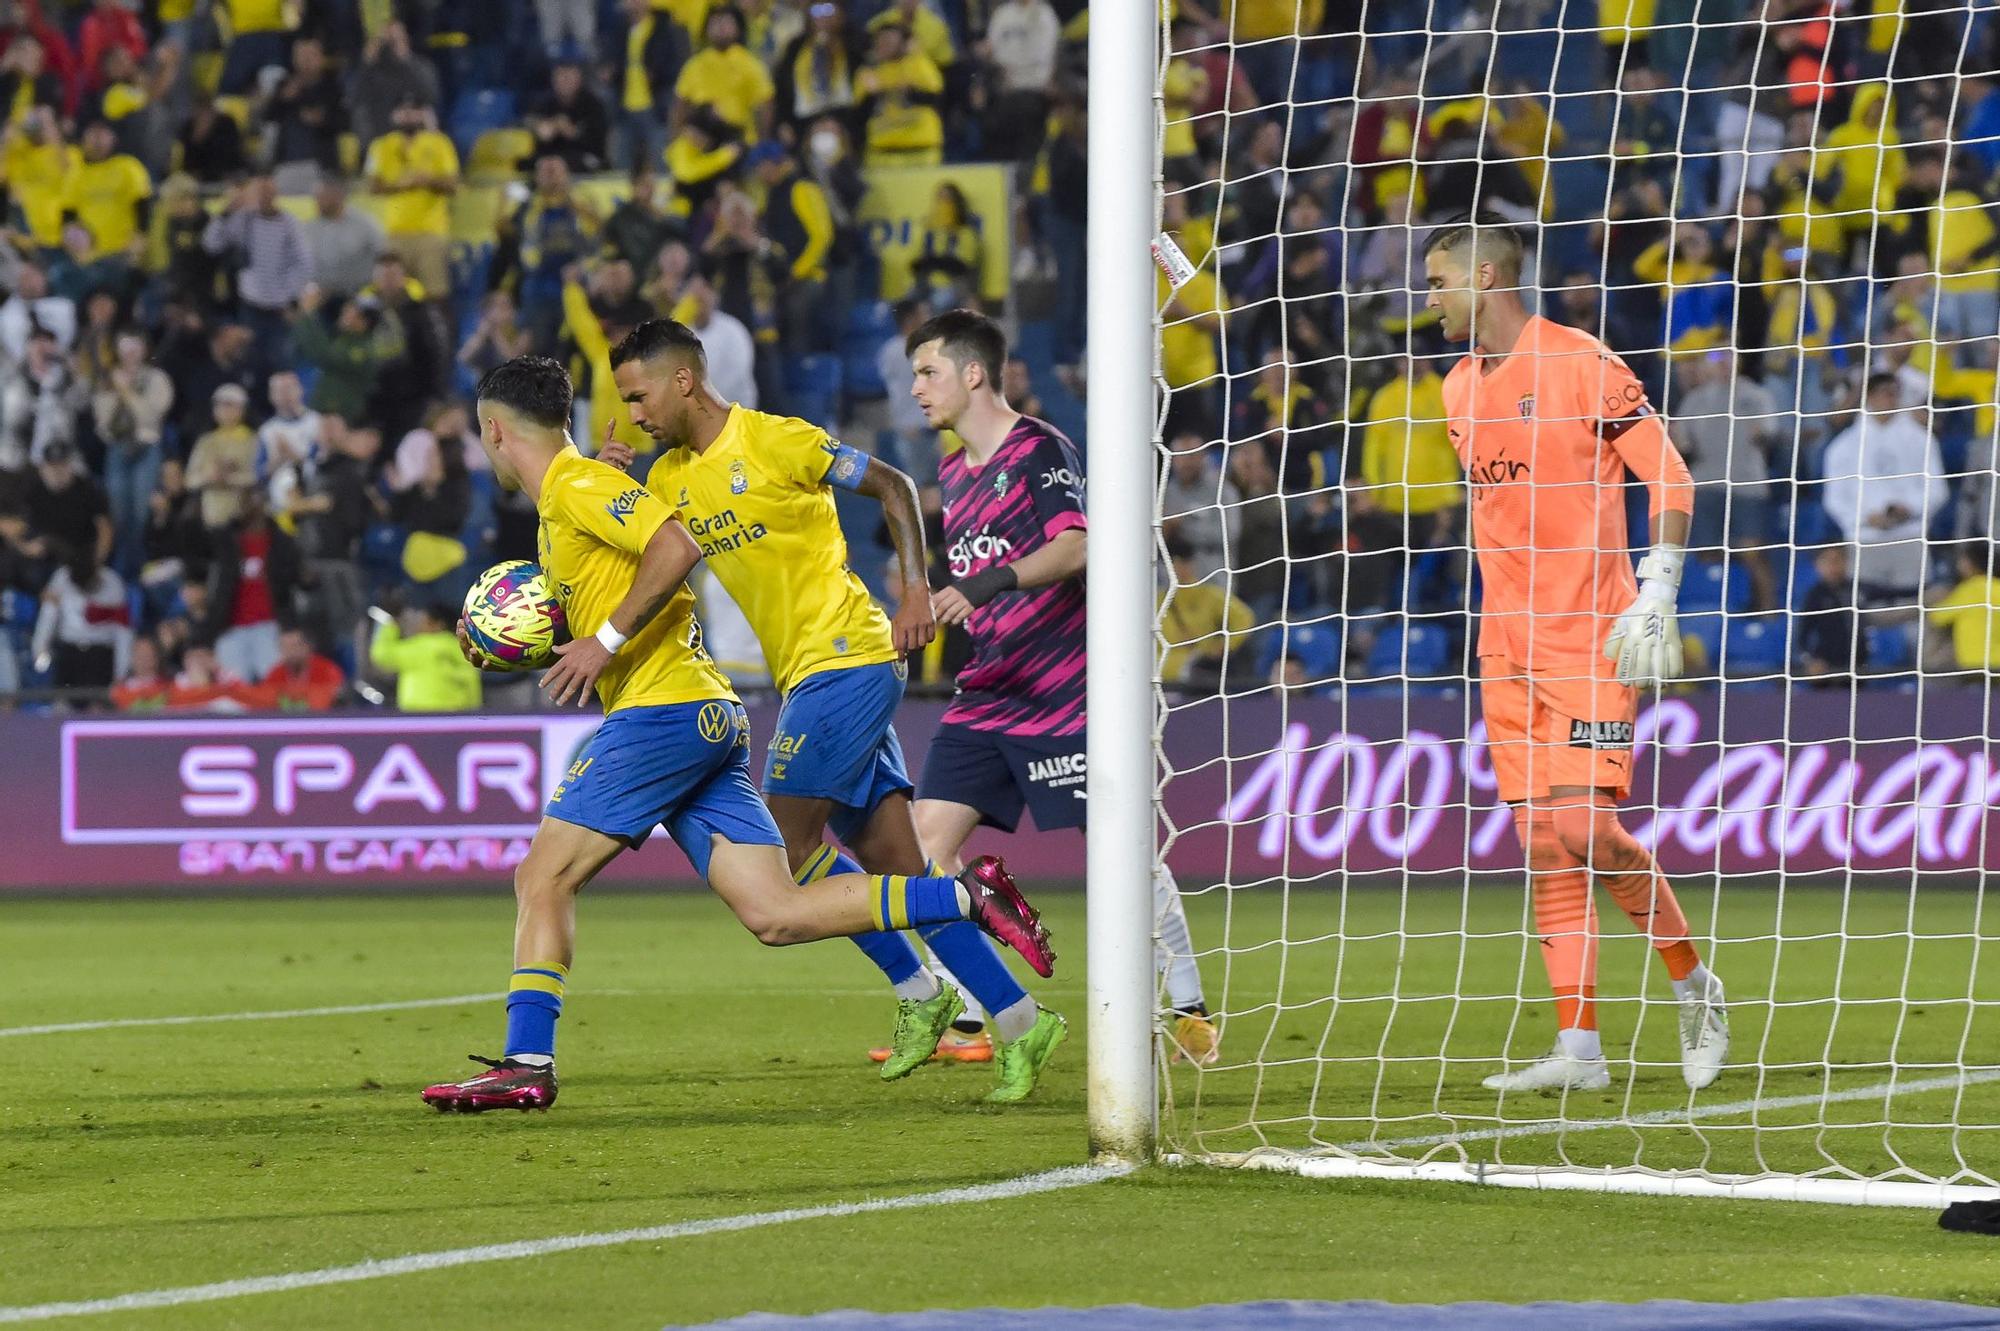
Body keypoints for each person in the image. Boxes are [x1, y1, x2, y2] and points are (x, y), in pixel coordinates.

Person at [419, 356, 1053, 1112]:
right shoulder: (593, 487)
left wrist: (606, 642)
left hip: (693, 704)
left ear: (493, 429)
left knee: (542, 877)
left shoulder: (581, 486)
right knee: (776, 912)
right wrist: (504, 637)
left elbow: (676, 548)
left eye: (640, 392)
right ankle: (966, 910)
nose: (639, 409)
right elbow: (611, 573)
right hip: (712, 713)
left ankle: (527, 1061)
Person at [600, 318, 1063, 1099]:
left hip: (845, 658)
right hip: (811, 676)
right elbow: (645, 567)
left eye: (639, 395)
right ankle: (1020, 1020)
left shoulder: (778, 440)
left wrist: (917, 588)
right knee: (894, 867)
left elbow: (893, 484)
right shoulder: (669, 480)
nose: (635, 413)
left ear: (683, 380)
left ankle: (928, 982)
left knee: (780, 856)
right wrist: (614, 486)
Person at [1421, 220, 1727, 1093]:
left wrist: (1658, 590)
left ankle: (1695, 985)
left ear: (1486, 275)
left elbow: (1670, 477)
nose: (1430, 299)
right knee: (1545, 847)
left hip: (1592, 635)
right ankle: (1579, 1049)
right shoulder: (1455, 391)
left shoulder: (1583, 361)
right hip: (1504, 647)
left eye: (1439, 281)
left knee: (1586, 828)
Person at [904, 308, 1219, 1067]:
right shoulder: (951, 472)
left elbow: (1077, 545)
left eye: (928, 371)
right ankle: (987, 1013)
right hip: (987, 693)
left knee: (1121, 846)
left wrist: (979, 585)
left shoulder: (1040, 449)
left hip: (1065, 692)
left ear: (973, 373)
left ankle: (1188, 1005)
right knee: (916, 852)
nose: (915, 388)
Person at [1821, 373, 1947, 608]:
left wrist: (1909, 509)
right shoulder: (1843, 446)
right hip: (1865, 540)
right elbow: (1834, 499)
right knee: (1867, 615)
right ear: (1869, 396)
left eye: (1895, 393)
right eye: (1885, 393)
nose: (1891, 398)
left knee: (1915, 611)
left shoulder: (1922, 440)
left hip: (1909, 536)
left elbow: (1938, 489)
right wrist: (1865, 518)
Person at [368, 599, 481, 711]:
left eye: (422, 620)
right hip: (456, 717)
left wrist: (390, 624)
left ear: (437, 624)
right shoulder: (462, 648)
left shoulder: (421, 647)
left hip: (420, 718)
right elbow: (472, 686)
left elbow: (382, 655)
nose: (417, 624)